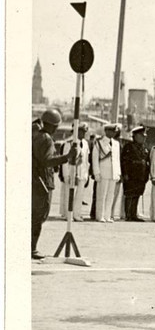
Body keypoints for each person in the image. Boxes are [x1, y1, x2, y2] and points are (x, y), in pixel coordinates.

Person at [32, 109, 78, 259]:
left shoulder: (37, 136)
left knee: (35, 216)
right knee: (39, 217)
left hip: (37, 181)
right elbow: (47, 161)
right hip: (42, 183)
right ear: (53, 126)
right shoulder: (45, 138)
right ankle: (31, 248)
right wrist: (67, 157)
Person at [59, 123, 91, 222]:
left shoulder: (85, 143)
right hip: (71, 172)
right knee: (69, 195)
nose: (83, 134)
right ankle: (68, 215)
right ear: (75, 132)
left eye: (84, 132)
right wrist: (66, 175)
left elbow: (86, 160)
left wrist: (86, 174)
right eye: (81, 131)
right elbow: (65, 161)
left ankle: (77, 214)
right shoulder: (69, 143)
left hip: (82, 172)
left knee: (80, 195)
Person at [92, 123, 122, 223]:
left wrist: (118, 173)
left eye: (115, 131)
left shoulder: (116, 143)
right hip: (103, 172)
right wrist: (96, 173)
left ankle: (107, 215)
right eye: (112, 131)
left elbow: (117, 159)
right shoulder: (99, 142)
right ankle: (99, 215)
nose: (114, 133)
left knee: (110, 196)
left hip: (113, 173)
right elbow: (95, 159)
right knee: (101, 195)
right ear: (106, 131)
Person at [120, 126, 150, 221]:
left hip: (140, 175)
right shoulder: (128, 147)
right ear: (136, 136)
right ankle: (128, 214)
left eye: (144, 136)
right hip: (131, 175)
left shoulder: (144, 148)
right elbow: (124, 161)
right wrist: (125, 173)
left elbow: (147, 162)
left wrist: (146, 175)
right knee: (130, 194)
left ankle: (133, 214)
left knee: (137, 194)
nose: (144, 138)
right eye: (142, 136)